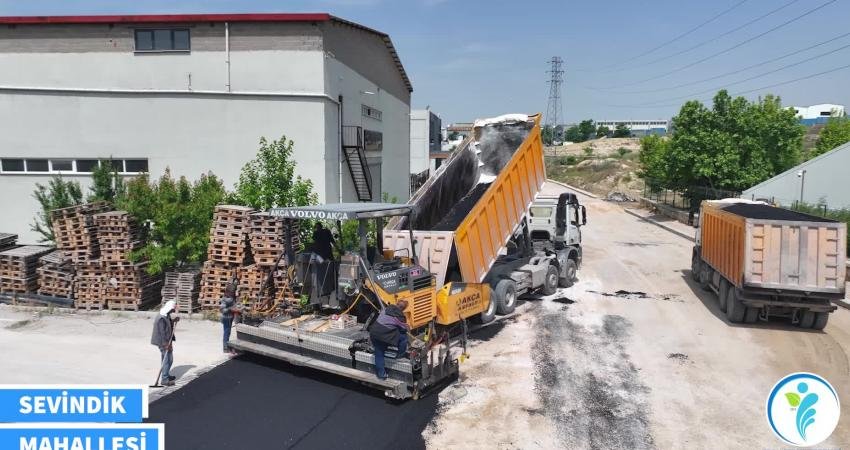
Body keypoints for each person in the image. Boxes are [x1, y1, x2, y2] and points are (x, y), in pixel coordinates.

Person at [368, 300, 410, 380]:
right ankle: (400, 355)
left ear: (396, 303)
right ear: (404, 309)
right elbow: (404, 329)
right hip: (383, 336)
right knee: (403, 338)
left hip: (374, 333)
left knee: (379, 353)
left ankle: (381, 375)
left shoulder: (386, 309)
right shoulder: (400, 317)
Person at [150, 300, 180, 386]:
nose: (173, 311)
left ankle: (166, 374)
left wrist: (174, 320)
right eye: (173, 309)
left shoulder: (165, 314)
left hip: (166, 340)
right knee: (167, 360)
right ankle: (164, 379)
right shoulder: (161, 318)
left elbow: (169, 322)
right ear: (169, 308)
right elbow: (162, 333)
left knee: (167, 359)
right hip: (162, 341)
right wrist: (166, 344)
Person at [220, 281, 240, 353]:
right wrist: (230, 309)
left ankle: (227, 346)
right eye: (232, 292)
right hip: (226, 318)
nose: (233, 293)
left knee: (228, 332)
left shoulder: (232, 298)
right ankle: (225, 348)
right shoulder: (225, 299)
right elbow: (222, 309)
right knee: (226, 332)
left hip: (230, 317)